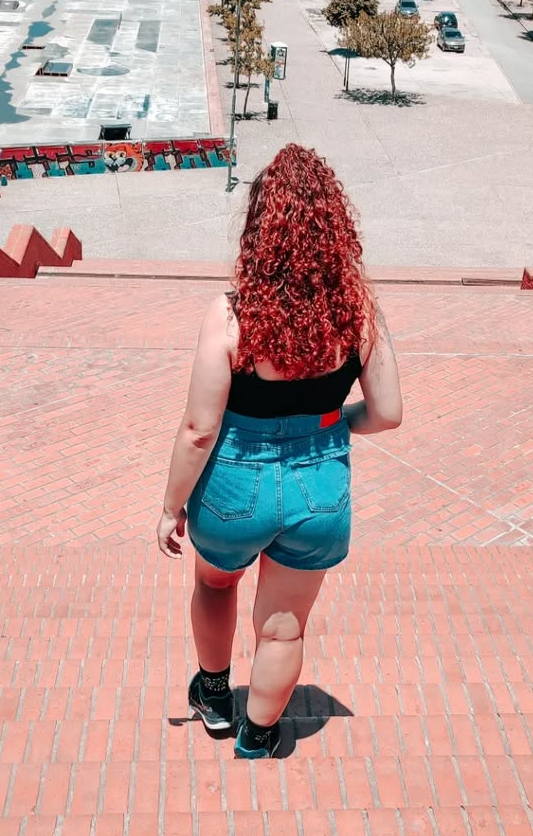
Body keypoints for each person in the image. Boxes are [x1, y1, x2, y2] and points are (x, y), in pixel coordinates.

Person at [156, 144, 402, 759]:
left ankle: (215, 697)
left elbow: (198, 429)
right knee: (285, 626)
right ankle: (259, 734)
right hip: (319, 487)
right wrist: (329, 424)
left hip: (234, 485)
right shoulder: (358, 313)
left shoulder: (231, 315)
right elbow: (388, 413)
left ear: (260, 228)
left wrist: (170, 506)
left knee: (216, 584)